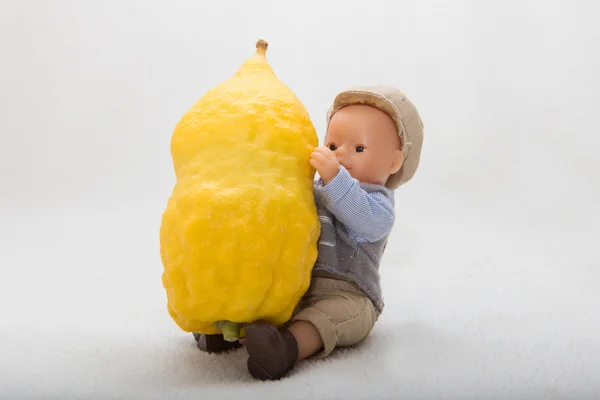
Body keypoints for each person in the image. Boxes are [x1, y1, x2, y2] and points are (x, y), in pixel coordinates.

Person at [195, 85, 424, 381]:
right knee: (263, 293)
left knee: (326, 319)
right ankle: (223, 329)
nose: (340, 154)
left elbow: (358, 214)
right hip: (299, 286)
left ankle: (287, 348)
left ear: (394, 163)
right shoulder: (320, 189)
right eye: (332, 146)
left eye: (358, 148)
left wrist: (334, 177)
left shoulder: (378, 205)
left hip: (349, 294)